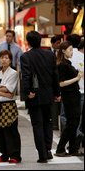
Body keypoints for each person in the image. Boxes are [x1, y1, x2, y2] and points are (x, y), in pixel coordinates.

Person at [20, 31, 61, 163]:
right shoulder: (50, 55)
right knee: (48, 123)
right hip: (48, 95)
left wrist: (27, 92)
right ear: (40, 41)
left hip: (34, 96)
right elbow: (55, 75)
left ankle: (42, 154)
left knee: (37, 125)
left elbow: (25, 76)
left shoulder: (26, 57)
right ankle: (48, 150)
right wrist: (57, 93)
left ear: (28, 42)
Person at [0, 50, 22, 164]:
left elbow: (9, 89)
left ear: (10, 60)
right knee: (0, 131)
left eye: (6, 58)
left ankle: (15, 155)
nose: (3, 60)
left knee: (11, 130)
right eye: (2, 58)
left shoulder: (13, 73)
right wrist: (4, 92)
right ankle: (4, 155)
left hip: (9, 106)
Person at [54, 41, 83, 157]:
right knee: (72, 123)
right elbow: (61, 83)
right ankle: (60, 148)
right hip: (69, 96)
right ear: (63, 51)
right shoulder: (62, 65)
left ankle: (73, 148)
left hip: (74, 95)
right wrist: (77, 78)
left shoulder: (68, 64)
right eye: (70, 50)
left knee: (75, 122)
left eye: (72, 49)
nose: (72, 52)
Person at [68, 34, 84, 150]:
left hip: (68, 91)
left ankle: (71, 139)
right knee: (79, 117)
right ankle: (77, 139)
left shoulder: (66, 56)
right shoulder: (81, 56)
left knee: (67, 116)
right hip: (82, 90)